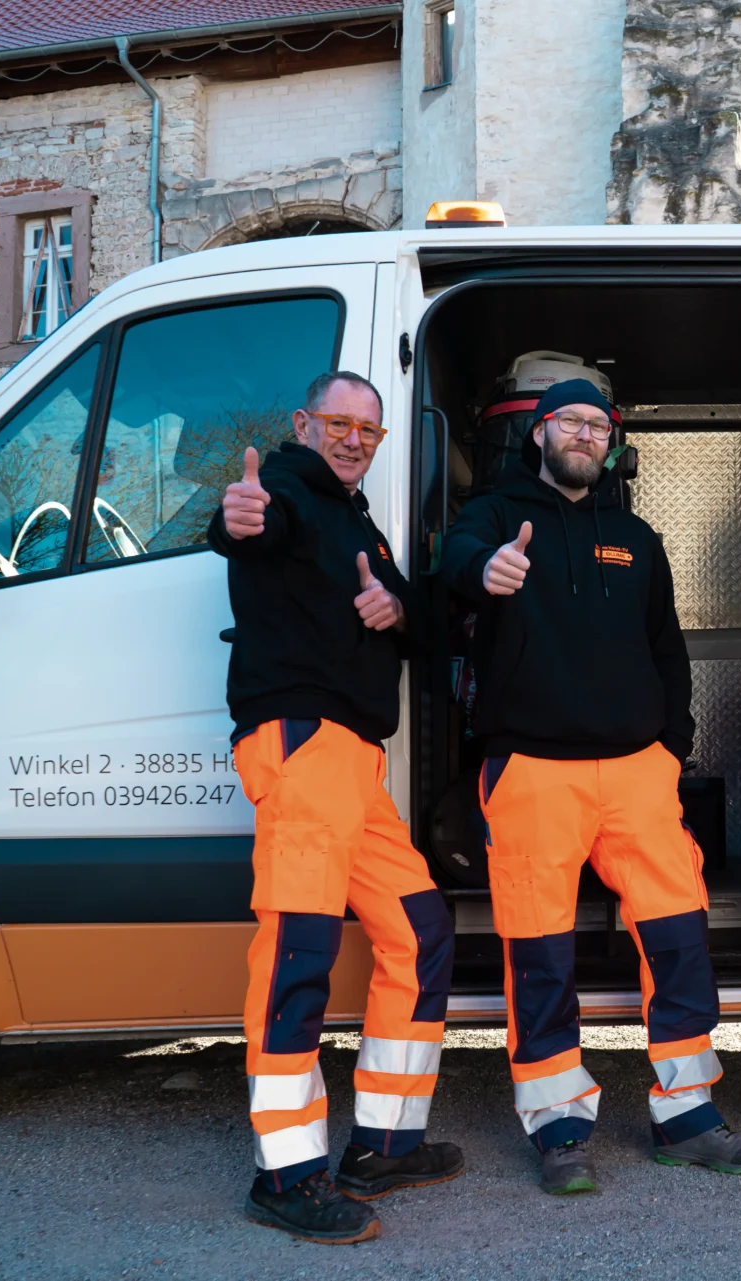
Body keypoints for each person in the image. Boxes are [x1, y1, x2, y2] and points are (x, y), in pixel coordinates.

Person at [441, 379, 741, 1196]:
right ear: (539, 432)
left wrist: (672, 748)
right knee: (541, 953)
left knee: (679, 939)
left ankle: (689, 1115)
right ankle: (559, 1126)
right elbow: (452, 575)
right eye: (570, 422)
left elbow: (668, 652)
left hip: (637, 773)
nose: (584, 435)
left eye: (598, 424)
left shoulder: (636, 537)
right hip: (530, 771)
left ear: (610, 442)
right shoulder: (490, 518)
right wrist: (487, 570)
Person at [210, 370, 462, 1244]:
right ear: (303, 424)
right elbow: (248, 523)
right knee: (298, 955)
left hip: (353, 761)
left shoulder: (355, 519)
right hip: (302, 742)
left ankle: (385, 1142)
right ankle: (285, 1175)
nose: (354, 438)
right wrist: (232, 516)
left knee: (421, 930)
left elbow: (422, 626)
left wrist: (395, 606)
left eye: (370, 429)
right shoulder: (282, 488)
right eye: (339, 423)